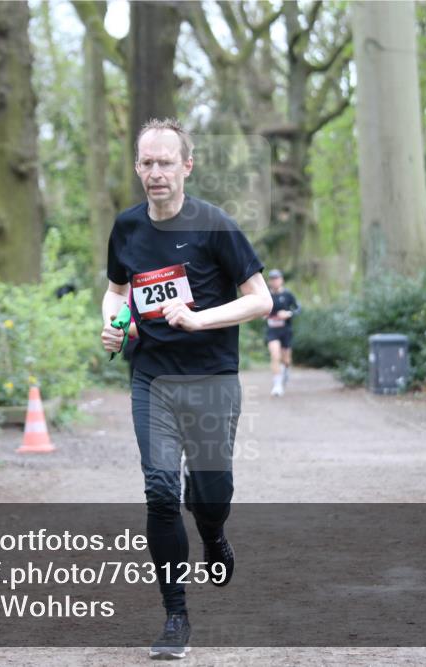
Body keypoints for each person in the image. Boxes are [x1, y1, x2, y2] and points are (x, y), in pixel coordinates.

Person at [100, 118, 272, 659]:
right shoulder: (127, 228)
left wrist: (203, 319)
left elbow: (261, 299)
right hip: (153, 377)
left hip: (212, 379)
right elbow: (115, 292)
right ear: (137, 167)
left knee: (212, 493)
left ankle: (215, 534)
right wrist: (114, 322)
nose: (155, 173)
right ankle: (176, 616)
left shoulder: (215, 226)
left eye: (165, 163)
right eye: (147, 163)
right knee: (158, 489)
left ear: (186, 166)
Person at [264, 269, 301, 397]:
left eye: (277, 278)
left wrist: (288, 314)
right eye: (272, 279)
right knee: (275, 355)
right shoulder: (266, 296)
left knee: (286, 360)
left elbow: (298, 308)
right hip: (272, 331)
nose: (275, 281)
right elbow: (259, 309)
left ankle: (286, 370)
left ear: (281, 280)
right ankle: (277, 385)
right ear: (269, 281)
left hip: (286, 331)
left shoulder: (288, 295)